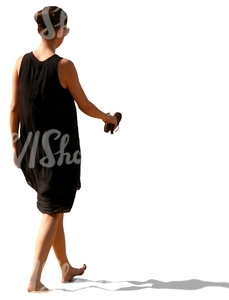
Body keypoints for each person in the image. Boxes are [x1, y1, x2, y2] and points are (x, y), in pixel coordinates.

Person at [9, 6, 118, 292]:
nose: (66, 34)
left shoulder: (20, 63)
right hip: (59, 153)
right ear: (57, 31)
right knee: (52, 211)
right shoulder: (63, 65)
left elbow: (12, 107)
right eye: (66, 29)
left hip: (31, 151)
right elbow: (84, 105)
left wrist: (14, 144)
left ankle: (65, 267)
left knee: (54, 209)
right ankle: (34, 279)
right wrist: (107, 118)